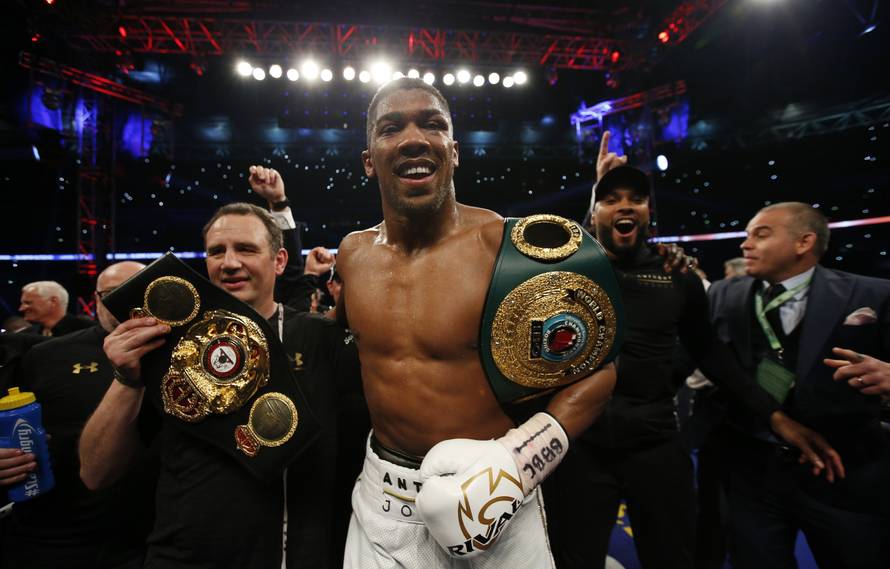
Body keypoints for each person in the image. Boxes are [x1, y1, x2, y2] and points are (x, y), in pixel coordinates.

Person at [336, 77, 617, 568]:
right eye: (390, 128)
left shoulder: (509, 251)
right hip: (383, 504)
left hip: (497, 498)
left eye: (432, 124)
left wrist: (516, 463)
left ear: (454, 151)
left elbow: (599, 372)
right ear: (368, 160)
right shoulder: (353, 254)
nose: (414, 138)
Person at [545, 133, 843, 569]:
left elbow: (713, 355)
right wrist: (594, 191)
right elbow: (561, 249)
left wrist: (777, 418)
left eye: (636, 198)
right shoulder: (571, 269)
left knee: (672, 557)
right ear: (595, 211)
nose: (625, 205)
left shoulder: (678, 275)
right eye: (611, 199)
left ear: (650, 211)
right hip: (580, 444)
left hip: (655, 443)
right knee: (574, 560)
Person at [78, 186, 356, 568]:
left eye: (245, 249)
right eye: (216, 251)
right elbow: (96, 473)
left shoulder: (320, 339)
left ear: (278, 261)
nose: (228, 263)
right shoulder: (167, 343)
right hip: (182, 557)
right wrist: (126, 380)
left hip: (291, 555)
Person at [709, 201, 890, 568]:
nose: (745, 245)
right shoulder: (724, 294)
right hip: (752, 471)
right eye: (746, 236)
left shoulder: (874, 295)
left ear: (804, 242)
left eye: (761, 234)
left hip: (843, 472)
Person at [0, 262, 158, 569]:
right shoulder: (45, 355)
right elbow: (9, 420)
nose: (125, 301)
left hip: (150, 536)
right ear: (97, 299)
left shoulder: (187, 355)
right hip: (57, 535)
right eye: (113, 294)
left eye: (138, 291)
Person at [18, 281, 95, 337]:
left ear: (53, 301)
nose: (21, 309)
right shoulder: (24, 336)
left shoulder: (91, 332)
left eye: (28, 303)